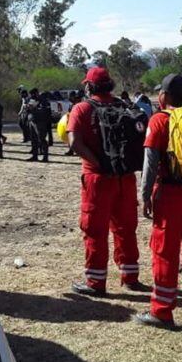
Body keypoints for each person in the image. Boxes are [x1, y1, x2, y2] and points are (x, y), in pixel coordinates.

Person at [135, 74, 182, 327]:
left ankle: (161, 311)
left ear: (164, 96)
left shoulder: (160, 120)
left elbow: (150, 162)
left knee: (165, 253)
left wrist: (145, 195)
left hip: (170, 194)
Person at [67, 67, 144, 297]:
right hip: (126, 177)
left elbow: (74, 142)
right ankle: (130, 276)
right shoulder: (124, 106)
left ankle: (95, 282)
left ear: (89, 86)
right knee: (126, 228)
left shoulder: (82, 108)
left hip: (97, 180)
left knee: (94, 231)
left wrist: (97, 163)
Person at [27, 90, 51, 162]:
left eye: (33, 94)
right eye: (31, 95)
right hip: (32, 121)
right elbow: (29, 110)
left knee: (42, 139)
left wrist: (34, 108)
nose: (32, 96)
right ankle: (34, 156)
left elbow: (44, 111)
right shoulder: (32, 100)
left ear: (37, 93)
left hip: (40, 122)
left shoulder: (43, 101)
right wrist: (28, 108)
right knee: (33, 139)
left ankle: (45, 157)